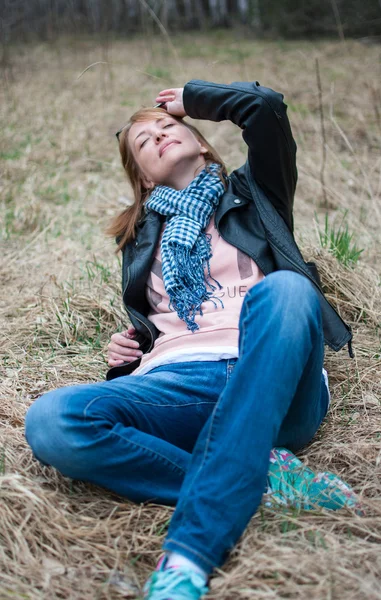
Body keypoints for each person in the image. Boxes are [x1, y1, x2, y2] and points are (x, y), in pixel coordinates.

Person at [25, 80, 360, 600]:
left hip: (272, 374)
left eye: (168, 127)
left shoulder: (255, 195)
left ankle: (188, 555)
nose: (159, 136)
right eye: (143, 143)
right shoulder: (141, 238)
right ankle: (261, 478)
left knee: (289, 290)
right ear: (140, 175)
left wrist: (196, 99)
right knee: (53, 420)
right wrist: (131, 347)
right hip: (180, 381)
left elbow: (267, 110)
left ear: (201, 141)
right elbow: (160, 322)